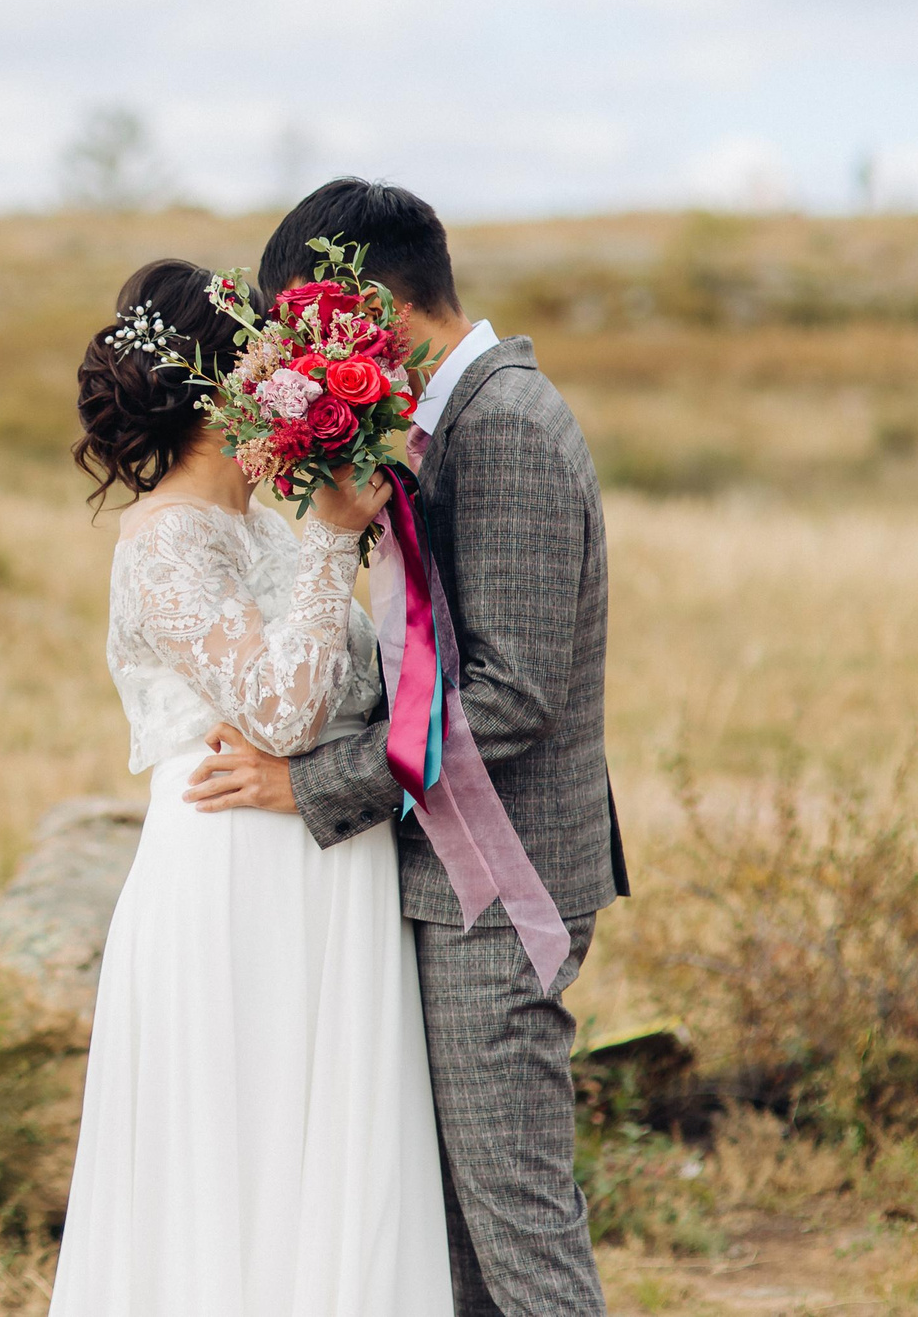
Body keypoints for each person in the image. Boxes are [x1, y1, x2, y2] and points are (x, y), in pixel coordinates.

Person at [187, 178, 628, 1317]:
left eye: (303, 324)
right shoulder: (434, 426)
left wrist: (310, 784)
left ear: (359, 308)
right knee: (454, 1247)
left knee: (519, 1236)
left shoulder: (507, 428)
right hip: (442, 878)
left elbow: (515, 694)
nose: (294, 350)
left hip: (498, 882)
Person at [47, 258, 453, 1317]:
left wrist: (328, 531)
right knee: (240, 1165)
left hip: (329, 860)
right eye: (271, 349)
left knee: (332, 1166)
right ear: (228, 380)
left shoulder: (273, 523)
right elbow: (278, 711)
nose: (293, 366)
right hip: (235, 871)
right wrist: (330, 536)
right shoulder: (165, 541)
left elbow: (351, 691)